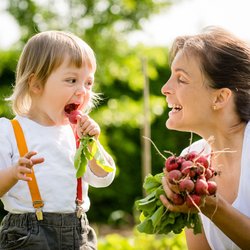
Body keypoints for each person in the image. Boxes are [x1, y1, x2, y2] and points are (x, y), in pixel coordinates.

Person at [0, 30, 116, 250]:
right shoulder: (10, 131)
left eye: (88, 83)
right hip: (26, 235)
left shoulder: (77, 134)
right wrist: (13, 173)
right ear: (36, 84)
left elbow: (104, 178)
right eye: (72, 80)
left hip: (78, 233)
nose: (82, 91)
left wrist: (92, 145)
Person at [159, 26, 250, 250]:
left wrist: (211, 206)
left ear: (220, 97)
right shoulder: (191, 161)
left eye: (181, 79)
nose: (164, 88)